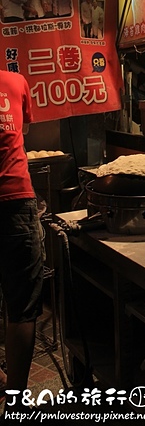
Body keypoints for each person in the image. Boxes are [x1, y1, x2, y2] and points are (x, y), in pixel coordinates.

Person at [0, 69, 44, 398]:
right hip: (15, 201)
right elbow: (24, 129)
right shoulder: (15, 82)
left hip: (16, 203)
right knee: (22, 308)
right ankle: (16, 403)